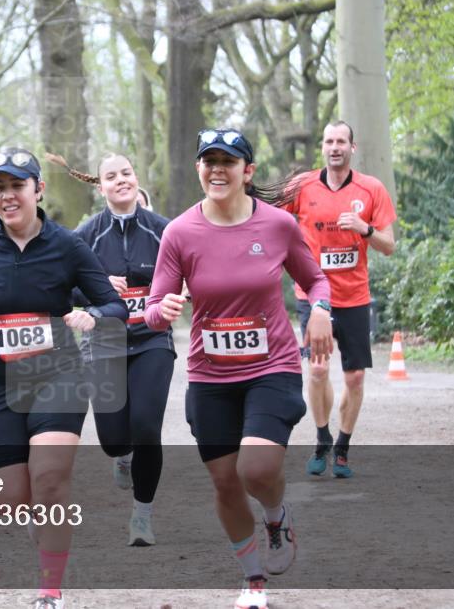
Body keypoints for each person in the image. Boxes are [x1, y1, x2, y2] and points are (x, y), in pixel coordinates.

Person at [144, 128, 333, 609]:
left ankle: (276, 515)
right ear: (198, 169)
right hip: (210, 375)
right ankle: (253, 580)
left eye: (228, 162)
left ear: (247, 171)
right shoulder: (179, 232)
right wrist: (162, 310)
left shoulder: (277, 226)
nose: (217, 170)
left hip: (272, 366)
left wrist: (320, 310)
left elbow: (315, 280)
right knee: (225, 482)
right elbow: (152, 309)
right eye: (209, 161)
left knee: (257, 469)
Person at [0, 148, 128, 609]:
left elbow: (113, 303)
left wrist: (92, 315)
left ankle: (50, 591)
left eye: (18, 186)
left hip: (58, 373)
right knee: (7, 501)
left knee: (49, 478)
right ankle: (46, 524)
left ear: (39, 190)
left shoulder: (67, 245)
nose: (8, 196)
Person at [47, 152, 175, 547]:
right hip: (104, 343)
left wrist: (175, 294)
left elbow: (188, 272)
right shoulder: (84, 236)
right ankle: (123, 455)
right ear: (100, 187)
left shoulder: (163, 230)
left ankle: (142, 515)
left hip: (152, 339)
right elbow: (60, 288)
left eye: (127, 173)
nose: (121, 180)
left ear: (136, 179)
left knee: (147, 427)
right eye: (111, 176)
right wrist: (98, 288)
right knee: (113, 439)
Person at [283, 121, 396, 478]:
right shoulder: (301, 186)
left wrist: (365, 229)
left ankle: (343, 448)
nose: (335, 147)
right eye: (329, 141)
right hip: (313, 295)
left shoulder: (371, 189)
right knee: (317, 369)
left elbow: (389, 245)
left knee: (356, 377)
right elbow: (273, 223)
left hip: (354, 296)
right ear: (322, 147)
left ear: (352, 147)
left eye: (341, 141)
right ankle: (322, 440)